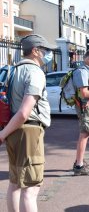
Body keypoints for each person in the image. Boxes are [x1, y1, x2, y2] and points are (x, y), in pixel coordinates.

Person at [0, 34, 56, 212]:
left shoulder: (14, 70)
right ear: (35, 51)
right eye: (45, 50)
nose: (48, 54)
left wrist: (5, 132)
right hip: (28, 131)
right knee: (30, 188)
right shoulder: (34, 72)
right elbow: (25, 112)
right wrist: (1, 135)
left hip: (13, 130)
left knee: (15, 183)